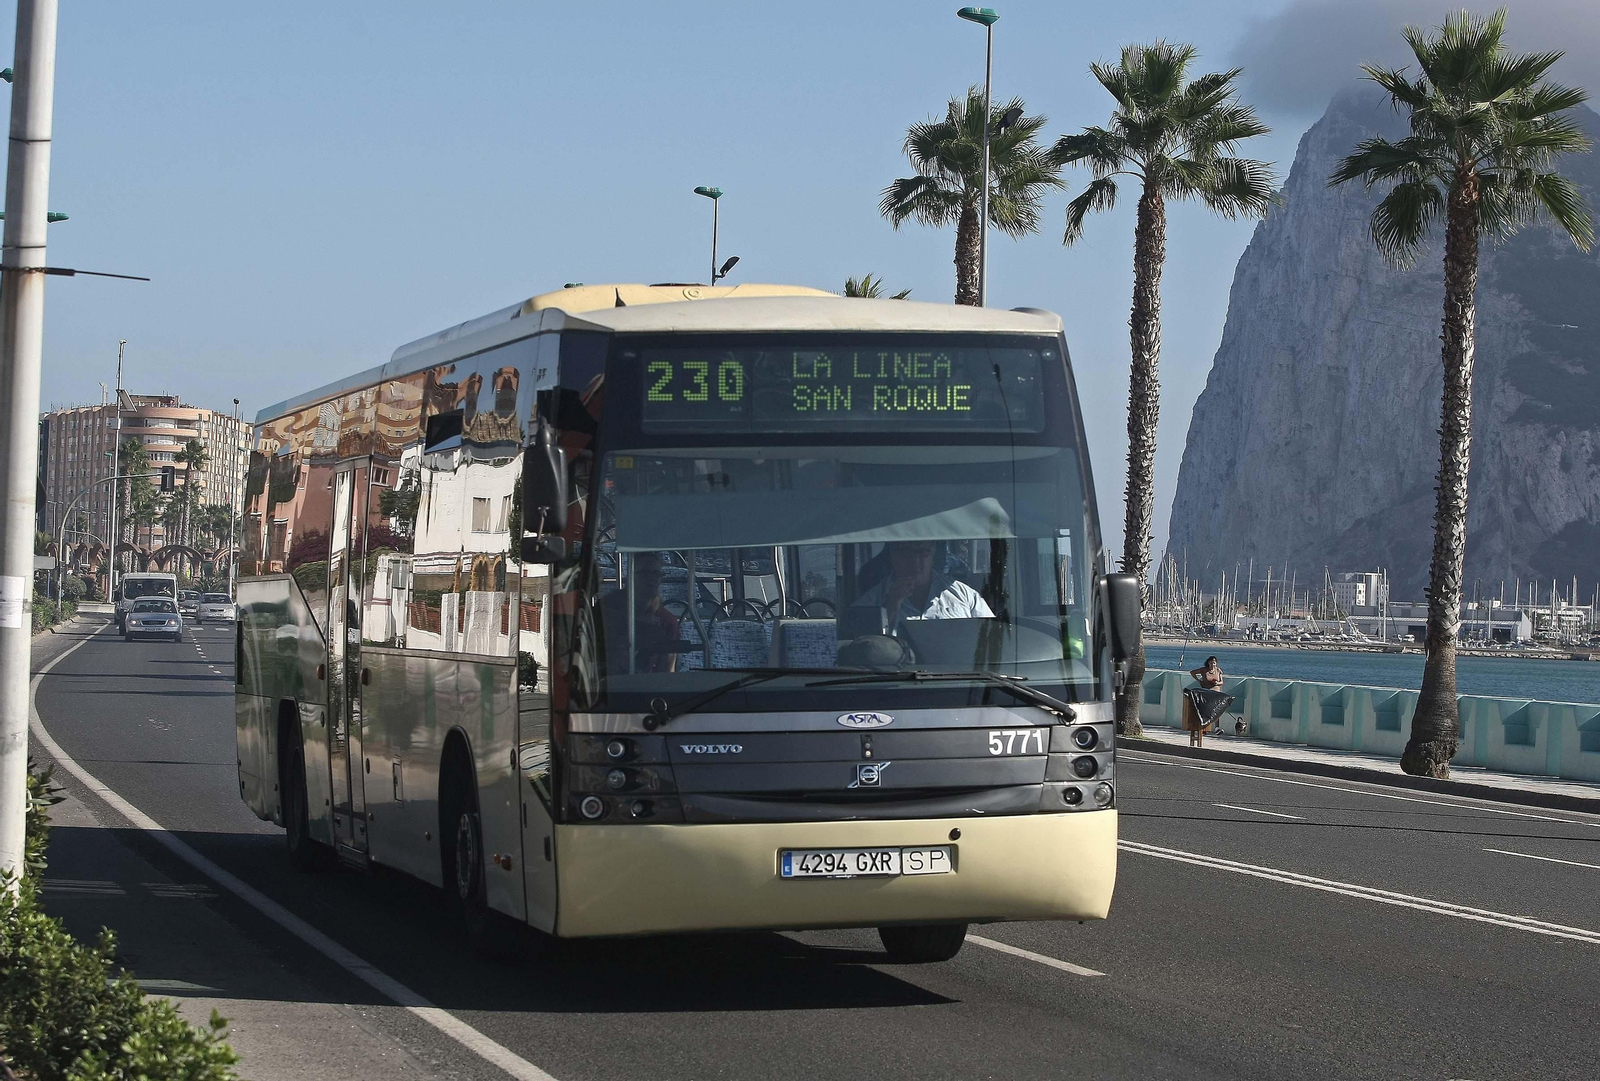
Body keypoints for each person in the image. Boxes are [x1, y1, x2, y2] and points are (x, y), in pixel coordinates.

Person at [852, 540, 993, 632]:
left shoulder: (966, 597)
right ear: (893, 555)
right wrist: (889, 608)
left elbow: (991, 639)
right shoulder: (869, 602)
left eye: (922, 553)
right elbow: (858, 647)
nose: (915, 561)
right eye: (906, 553)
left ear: (933, 555)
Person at [600, 551, 679, 673]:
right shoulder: (607, 609)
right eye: (645, 572)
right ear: (630, 576)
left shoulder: (667, 621)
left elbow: (667, 672)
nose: (651, 578)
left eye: (656, 574)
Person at [1183, 656, 1227, 748]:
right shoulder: (1204, 670)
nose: (1213, 665)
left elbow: (1221, 682)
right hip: (1206, 693)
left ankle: (1217, 727)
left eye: (1214, 663)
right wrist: (1199, 680)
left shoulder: (1218, 670)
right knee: (1206, 710)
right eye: (1211, 663)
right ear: (1208, 663)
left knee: (1216, 710)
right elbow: (1192, 672)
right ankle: (1204, 728)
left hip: (1216, 693)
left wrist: (1217, 683)